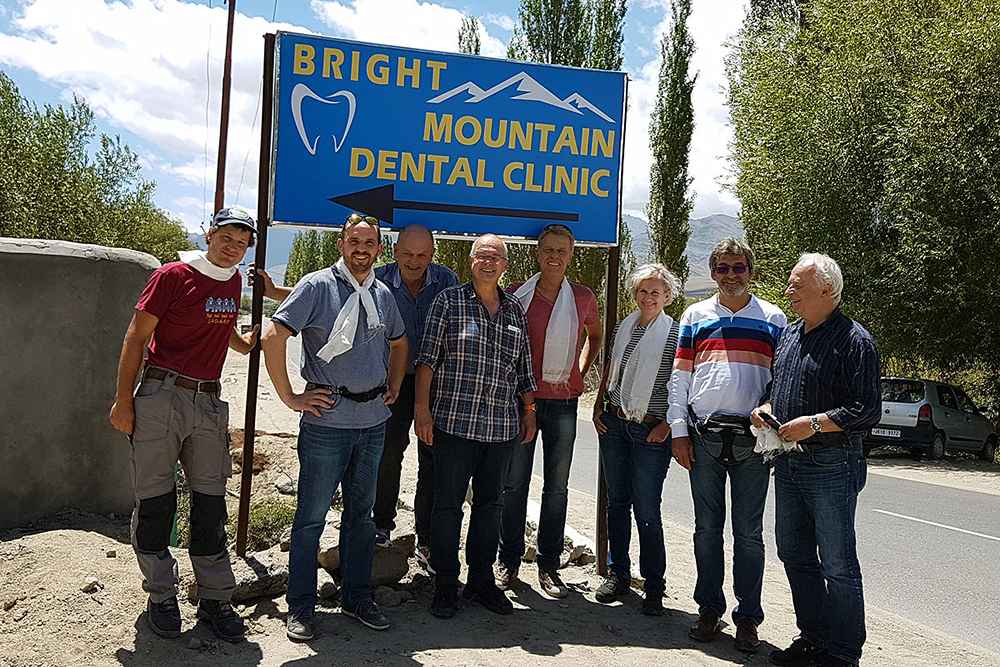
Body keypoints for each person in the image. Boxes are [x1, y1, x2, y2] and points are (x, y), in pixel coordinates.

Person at [109, 206, 260, 642]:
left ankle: (215, 598)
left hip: (208, 401)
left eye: (242, 242)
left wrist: (249, 342)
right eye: (226, 238)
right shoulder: (175, 275)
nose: (233, 248)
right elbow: (136, 337)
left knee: (210, 504)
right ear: (209, 234)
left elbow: (224, 330)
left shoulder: (233, 282)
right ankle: (161, 593)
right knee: (157, 500)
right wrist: (124, 400)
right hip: (162, 394)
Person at [260, 213, 408, 642]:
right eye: (354, 241)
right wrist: (290, 398)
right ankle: (302, 607)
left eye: (370, 242)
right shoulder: (316, 286)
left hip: (373, 422)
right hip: (327, 421)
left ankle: (358, 598)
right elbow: (274, 337)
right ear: (341, 245)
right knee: (310, 518)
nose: (362, 249)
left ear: (380, 249)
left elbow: (399, 343)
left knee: (361, 517)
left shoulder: (382, 293)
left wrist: (394, 383)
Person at [751, 253, 880, 667]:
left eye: (797, 285)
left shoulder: (854, 341)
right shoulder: (789, 335)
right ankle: (813, 639)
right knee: (795, 555)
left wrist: (817, 424)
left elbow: (867, 408)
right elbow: (777, 387)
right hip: (788, 463)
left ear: (827, 290)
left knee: (838, 564)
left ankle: (843, 654)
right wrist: (764, 407)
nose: (789, 291)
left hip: (832, 464)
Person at [667, 238, 787, 652]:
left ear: (751, 271)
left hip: (753, 443)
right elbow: (680, 377)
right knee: (706, 530)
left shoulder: (774, 318)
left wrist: (772, 423)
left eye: (739, 267)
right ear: (713, 272)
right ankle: (708, 610)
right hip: (703, 436)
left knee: (750, 534)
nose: (731, 275)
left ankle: (748, 619)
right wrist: (678, 430)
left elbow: (782, 382)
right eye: (722, 268)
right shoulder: (695, 315)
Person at [414, 234, 537, 619]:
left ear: (505, 265)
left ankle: (481, 581)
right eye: (482, 256)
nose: (488, 262)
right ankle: (446, 584)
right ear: (471, 261)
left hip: (501, 427)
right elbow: (427, 360)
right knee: (448, 505)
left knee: (491, 504)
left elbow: (523, 368)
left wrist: (529, 410)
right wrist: (422, 409)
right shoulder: (447, 302)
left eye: (495, 257)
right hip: (453, 423)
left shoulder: (515, 309)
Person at [496, 223, 601, 598]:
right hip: (518, 401)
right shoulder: (514, 296)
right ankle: (507, 562)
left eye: (562, 250)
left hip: (563, 404)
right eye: (548, 250)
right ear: (538, 254)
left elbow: (596, 336)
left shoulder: (584, 298)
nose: (554, 256)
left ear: (571, 255)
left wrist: (579, 372)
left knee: (557, 487)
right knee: (514, 484)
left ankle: (549, 566)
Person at [591, 263, 680, 617]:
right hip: (615, 425)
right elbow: (611, 369)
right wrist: (598, 406)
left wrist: (668, 426)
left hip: (650, 430)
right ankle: (619, 573)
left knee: (647, 510)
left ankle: (654, 586)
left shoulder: (676, 334)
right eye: (642, 291)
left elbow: (681, 384)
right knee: (617, 504)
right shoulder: (623, 327)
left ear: (668, 296)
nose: (648, 297)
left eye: (655, 292)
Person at [372, 225, 458, 566]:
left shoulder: (446, 280)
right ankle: (381, 527)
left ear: (432, 256)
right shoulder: (376, 282)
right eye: (407, 253)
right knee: (388, 452)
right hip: (390, 382)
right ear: (394, 252)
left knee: (434, 459)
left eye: (422, 255)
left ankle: (427, 536)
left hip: (435, 382)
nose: (414, 261)